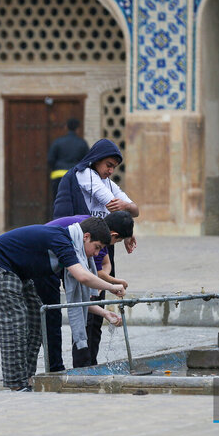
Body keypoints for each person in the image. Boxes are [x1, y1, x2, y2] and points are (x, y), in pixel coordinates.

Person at [0, 217, 125, 391]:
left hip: (19, 272)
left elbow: (75, 300)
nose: (96, 254)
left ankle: (27, 378)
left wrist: (104, 313)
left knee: (36, 322)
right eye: (97, 247)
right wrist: (112, 287)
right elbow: (83, 277)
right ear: (86, 237)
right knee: (15, 324)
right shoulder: (62, 241)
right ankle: (16, 385)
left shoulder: (73, 247)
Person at [53, 139, 139, 363]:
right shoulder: (85, 175)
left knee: (97, 308)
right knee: (83, 309)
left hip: (98, 246)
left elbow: (133, 209)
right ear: (96, 160)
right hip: (81, 247)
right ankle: (81, 364)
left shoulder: (106, 181)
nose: (110, 171)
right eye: (108, 165)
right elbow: (113, 204)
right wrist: (125, 217)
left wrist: (126, 227)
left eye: (114, 167)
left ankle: (91, 362)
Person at [33, 211, 134, 371]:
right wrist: (111, 285)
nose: (99, 251)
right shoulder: (93, 235)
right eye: (117, 241)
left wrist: (106, 284)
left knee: (89, 315)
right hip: (44, 260)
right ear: (113, 234)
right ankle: (65, 368)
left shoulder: (98, 231)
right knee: (53, 317)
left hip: (59, 261)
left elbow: (103, 267)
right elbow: (85, 277)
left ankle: (87, 365)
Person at [47, 118, 89, 203]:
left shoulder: (57, 142)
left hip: (58, 176)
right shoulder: (82, 143)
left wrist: (56, 167)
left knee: (58, 200)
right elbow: (87, 161)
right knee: (74, 201)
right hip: (75, 176)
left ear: (66, 127)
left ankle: (59, 216)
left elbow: (50, 160)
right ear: (78, 129)